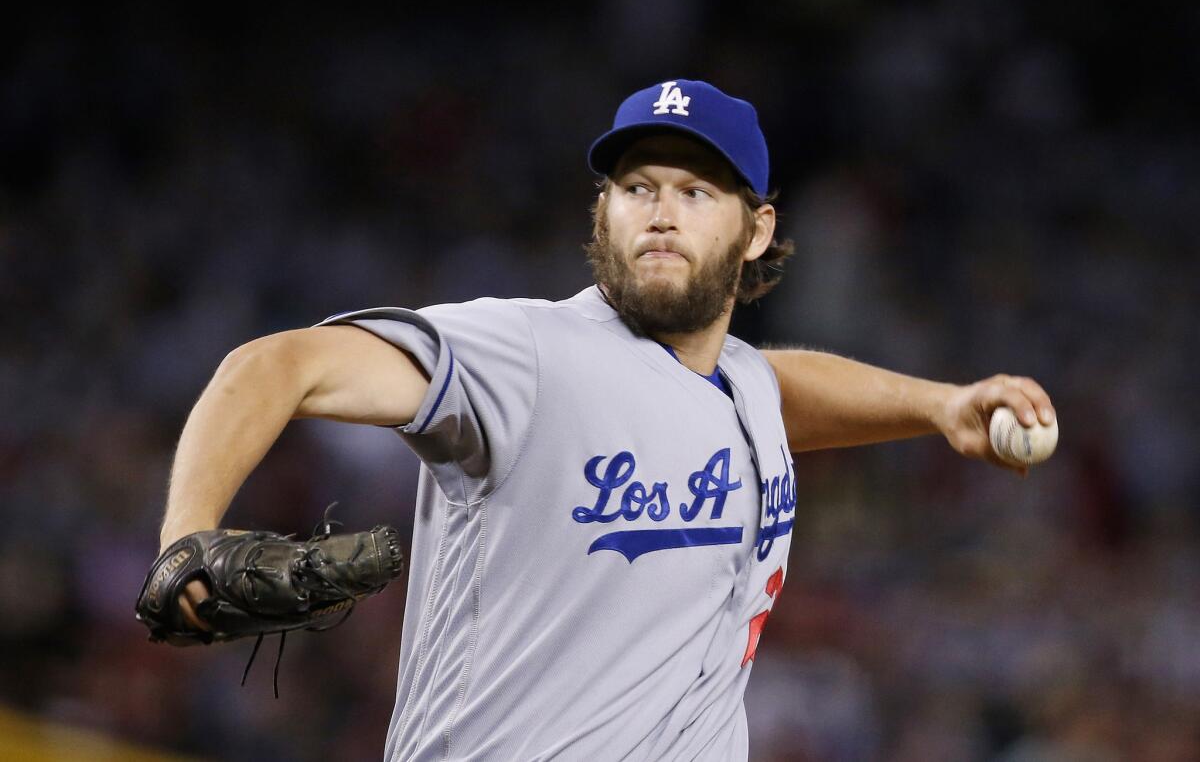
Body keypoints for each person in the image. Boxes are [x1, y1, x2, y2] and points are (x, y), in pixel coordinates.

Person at [158, 78, 1056, 760]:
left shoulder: (741, 385)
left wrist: (941, 406)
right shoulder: (528, 355)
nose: (661, 213)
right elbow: (276, 365)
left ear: (756, 229)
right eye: (638, 187)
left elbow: (774, 390)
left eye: (697, 192)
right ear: (603, 211)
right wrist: (185, 534)